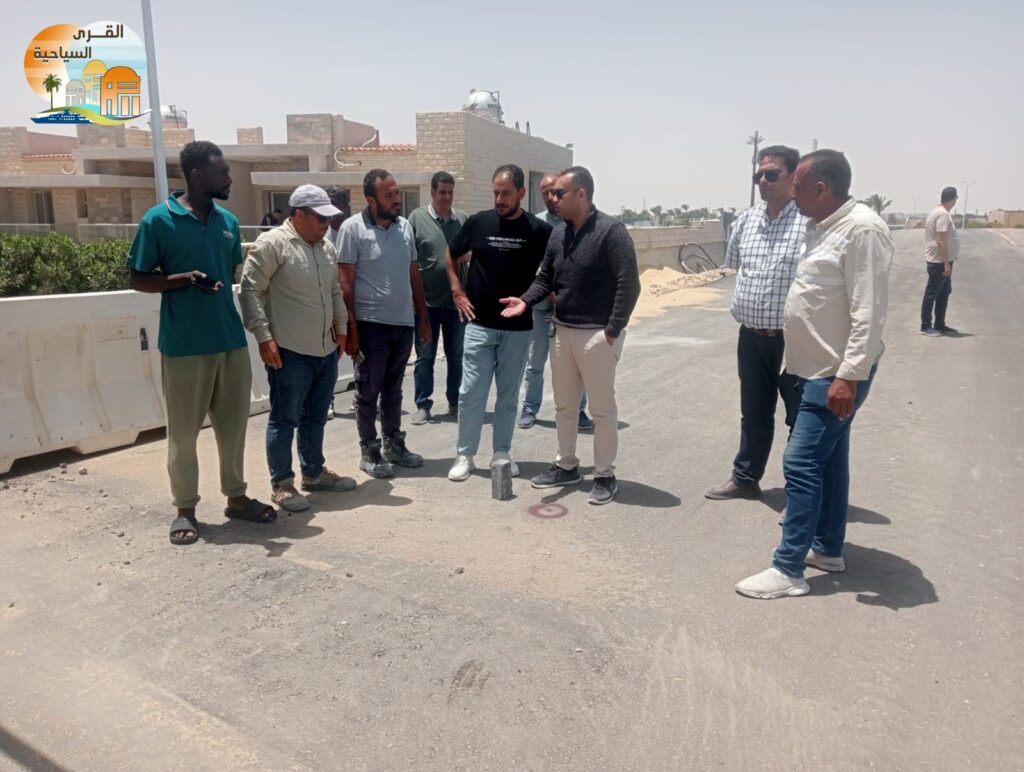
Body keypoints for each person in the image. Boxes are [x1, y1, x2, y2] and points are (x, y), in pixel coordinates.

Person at [735, 149, 894, 599]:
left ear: (821, 189)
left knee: (801, 462)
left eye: (798, 186)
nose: (791, 194)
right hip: (814, 369)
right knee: (831, 460)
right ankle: (827, 548)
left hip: (835, 373)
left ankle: (788, 569)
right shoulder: (821, 226)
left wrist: (849, 376)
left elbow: (869, 312)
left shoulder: (861, 230)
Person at [127, 140, 274, 545]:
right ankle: (185, 509)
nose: (229, 178)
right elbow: (137, 277)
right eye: (222, 172)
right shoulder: (159, 220)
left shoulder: (228, 222)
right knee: (183, 433)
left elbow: (230, 272)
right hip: (184, 346)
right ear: (196, 175)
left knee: (234, 427)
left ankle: (236, 497)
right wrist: (183, 279)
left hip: (229, 341)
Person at [501, 166, 641, 505]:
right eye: (551, 193)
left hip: (597, 336)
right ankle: (566, 465)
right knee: (564, 406)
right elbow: (545, 278)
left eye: (559, 193)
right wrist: (525, 300)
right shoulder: (559, 234)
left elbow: (629, 284)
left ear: (581, 194)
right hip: (562, 332)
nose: (552, 198)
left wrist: (612, 330)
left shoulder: (611, 232)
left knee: (602, 410)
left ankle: (605, 474)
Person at [239, 184, 356, 512]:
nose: (327, 225)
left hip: (325, 349)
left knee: (316, 416)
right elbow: (250, 291)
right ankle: (282, 484)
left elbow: (334, 291)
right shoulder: (273, 244)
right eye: (321, 219)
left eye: (330, 219)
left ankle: (314, 472)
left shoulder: (326, 247)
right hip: (289, 350)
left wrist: (342, 329)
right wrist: (263, 337)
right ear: (300, 214)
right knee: (284, 418)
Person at [705, 145, 806, 501]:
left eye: (772, 174)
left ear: (793, 178)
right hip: (751, 337)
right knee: (754, 412)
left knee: (800, 418)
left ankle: (800, 494)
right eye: (758, 175)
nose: (763, 181)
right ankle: (746, 478)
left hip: (795, 340)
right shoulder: (746, 221)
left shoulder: (809, 223)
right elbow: (734, 265)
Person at [445, 164, 553, 482]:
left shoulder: (539, 231)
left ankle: (502, 453)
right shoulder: (478, 223)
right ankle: (465, 455)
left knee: (508, 396)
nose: (499, 199)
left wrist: (532, 299)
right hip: (479, 325)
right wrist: (457, 291)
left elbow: (551, 272)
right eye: (495, 192)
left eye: (506, 193)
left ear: (521, 192)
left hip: (518, 330)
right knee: (471, 394)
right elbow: (450, 254)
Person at [336, 169, 431, 478]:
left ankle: (394, 444)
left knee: (394, 390)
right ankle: (370, 450)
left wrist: (423, 319)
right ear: (371, 200)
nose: (396, 199)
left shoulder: (404, 228)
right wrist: (351, 328)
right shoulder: (352, 229)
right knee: (368, 390)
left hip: (402, 323)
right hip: (370, 324)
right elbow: (345, 282)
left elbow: (414, 274)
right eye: (388, 195)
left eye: (397, 193)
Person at [518, 172, 593, 432]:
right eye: (545, 193)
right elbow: (530, 266)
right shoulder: (535, 225)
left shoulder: (575, 221)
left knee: (575, 364)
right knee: (535, 362)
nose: (551, 197)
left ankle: (579, 409)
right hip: (541, 307)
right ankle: (530, 408)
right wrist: (547, 291)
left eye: (555, 191)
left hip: (570, 309)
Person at [407, 172, 468, 425]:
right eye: (442, 192)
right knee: (425, 356)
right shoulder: (417, 218)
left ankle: (455, 401)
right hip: (426, 303)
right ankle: (423, 404)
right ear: (432, 192)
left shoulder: (462, 219)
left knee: (456, 356)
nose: (446, 197)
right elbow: (409, 258)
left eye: (450, 192)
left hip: (456, 303)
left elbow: (472, 252)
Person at [325, 186, 353, 421]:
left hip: (352, 301)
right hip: (329, 303)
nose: (332, 208)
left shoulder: (353, 230)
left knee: (358, 350)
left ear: (345, 206)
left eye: (335, 202)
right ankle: (328, 400)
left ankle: (361, 398)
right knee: (331, 353)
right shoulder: (320, 233)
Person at [920, 186, 960, 337]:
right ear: (953, 199)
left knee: (944, 293)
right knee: (932, 294)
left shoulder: (937, 211)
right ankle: (925, 326)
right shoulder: (942, 214)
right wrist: (946, 264)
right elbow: (941, 241)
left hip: (942, 260)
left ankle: (939, 324)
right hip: (939, 261)